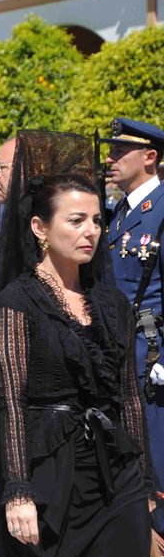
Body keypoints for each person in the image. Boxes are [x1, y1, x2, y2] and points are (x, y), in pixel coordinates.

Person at [0, 131, 156, 557]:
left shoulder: (110, 303)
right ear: (39, 227)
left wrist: (144, 479)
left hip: (116, 471)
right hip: (48, 469)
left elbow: (128, 396)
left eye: (98, 220)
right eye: (76, 220)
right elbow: (9, 402)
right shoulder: (17, 303)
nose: (91, 232)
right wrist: (16, 490)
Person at [102, 117, 164, 529]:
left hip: (149, 353)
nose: (110, 158)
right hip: (117, 349)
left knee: (156, 464)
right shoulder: (117, 211)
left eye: (120, 150)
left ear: (150, 156)